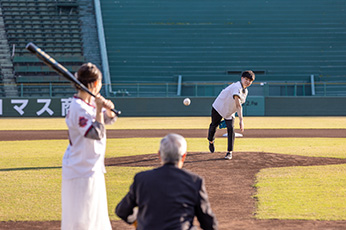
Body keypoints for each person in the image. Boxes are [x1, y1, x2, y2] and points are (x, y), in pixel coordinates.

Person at [115, 133, 218, 230]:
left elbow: (122, 211)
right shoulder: (194, 181)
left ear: (159, 154)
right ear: (183, 157)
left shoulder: (141, 179)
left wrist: (138, 222)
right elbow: (209, 223)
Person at [61, 63, 117, 230]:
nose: (101, 85)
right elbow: (95, 133)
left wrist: (108, 110)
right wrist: (100, 110)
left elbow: (108, 120)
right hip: (80, 170)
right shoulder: (78, 107)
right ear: (93, 84)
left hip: (92, 167)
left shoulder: (90, 102)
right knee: (81, 219)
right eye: (99, 82)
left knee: (95, 217)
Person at [207, 70, 255, 160]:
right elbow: (238, 105)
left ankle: (229, 152)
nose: (248, 82)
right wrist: (241, 121)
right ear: (242, 78)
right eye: (246, 79)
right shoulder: (236, 87)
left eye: (250, 80)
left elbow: (238, 105)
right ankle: (211, 141)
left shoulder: (245, 91)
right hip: (218, 108)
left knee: (231, 129)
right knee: (213, 126)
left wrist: (232, 116)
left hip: (229, 112)